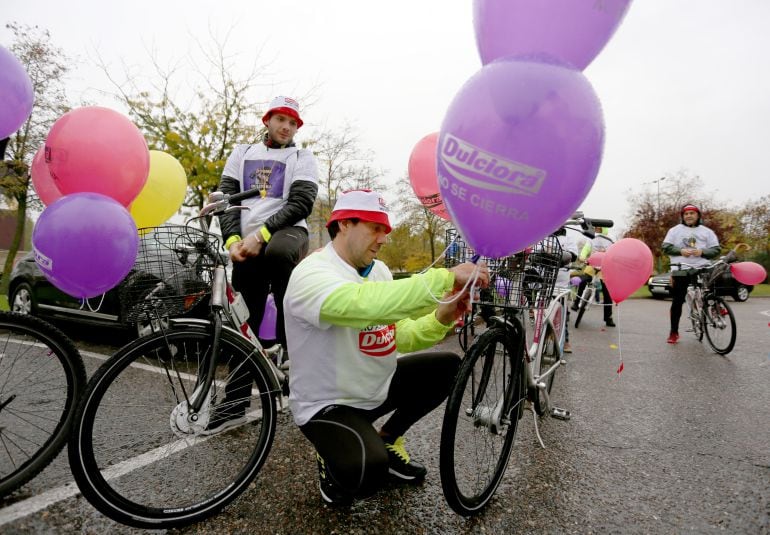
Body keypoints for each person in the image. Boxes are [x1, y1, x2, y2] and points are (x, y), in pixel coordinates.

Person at [283, 189, 489, 506]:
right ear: (343, 224)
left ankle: (386, 439)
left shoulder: (378, 270)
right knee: (366, 473)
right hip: (328, 404)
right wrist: (443, 278)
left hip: (373, 391)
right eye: (375, 228)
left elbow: (400, 335)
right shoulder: (311, 273)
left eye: (386, 230)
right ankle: (331, 457)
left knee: (447, 367)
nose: (383, 239)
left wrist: (442, 316)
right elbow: (364, 305)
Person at [208, 96, 318, 434]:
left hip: (286, 235)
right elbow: (225, 201)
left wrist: (262, 235)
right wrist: (233, 243)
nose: (286, 127)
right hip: (248, 245)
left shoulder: (301, 157)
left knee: (277, 254)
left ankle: (287, 345)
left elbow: (301, 203)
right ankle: (235, 403)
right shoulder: (241, 153)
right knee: (245, 321)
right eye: (280, 119)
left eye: (293, 122)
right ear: (267, 121)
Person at [661, 204, 720, 344]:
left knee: (712, 289)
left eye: (692, 213)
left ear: (698, 215)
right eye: (686, 214)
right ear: (682, 216)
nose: (688, 216)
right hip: (681, 269)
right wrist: (680, 251)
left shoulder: (707, 232)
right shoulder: (674, 231)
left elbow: (716, 250)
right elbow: (665, 247)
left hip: (702, 267)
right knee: (677, 301)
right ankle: (674, 332)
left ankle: (716, 309)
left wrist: (703, 252)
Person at [571, 226, 615, 327]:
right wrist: (582, 257)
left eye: (599, 229)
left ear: (603, 229)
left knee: (607, 291)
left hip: (605, 268)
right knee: (583, 279)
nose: (596, 230)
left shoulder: (610, 240)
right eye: (595, 228)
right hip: (592, 265)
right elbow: (586, 248)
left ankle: (608, 318)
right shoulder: (591, 238)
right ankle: (576, 303)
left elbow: (613, 252)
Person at [553, 227, 578, 353]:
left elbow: (573, 255)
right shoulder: (544, 236)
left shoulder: (568, 238)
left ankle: (565, 340)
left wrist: (565, 256)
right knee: (542, 313)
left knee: (562, 315)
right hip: (545, 283)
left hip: (561, 284)